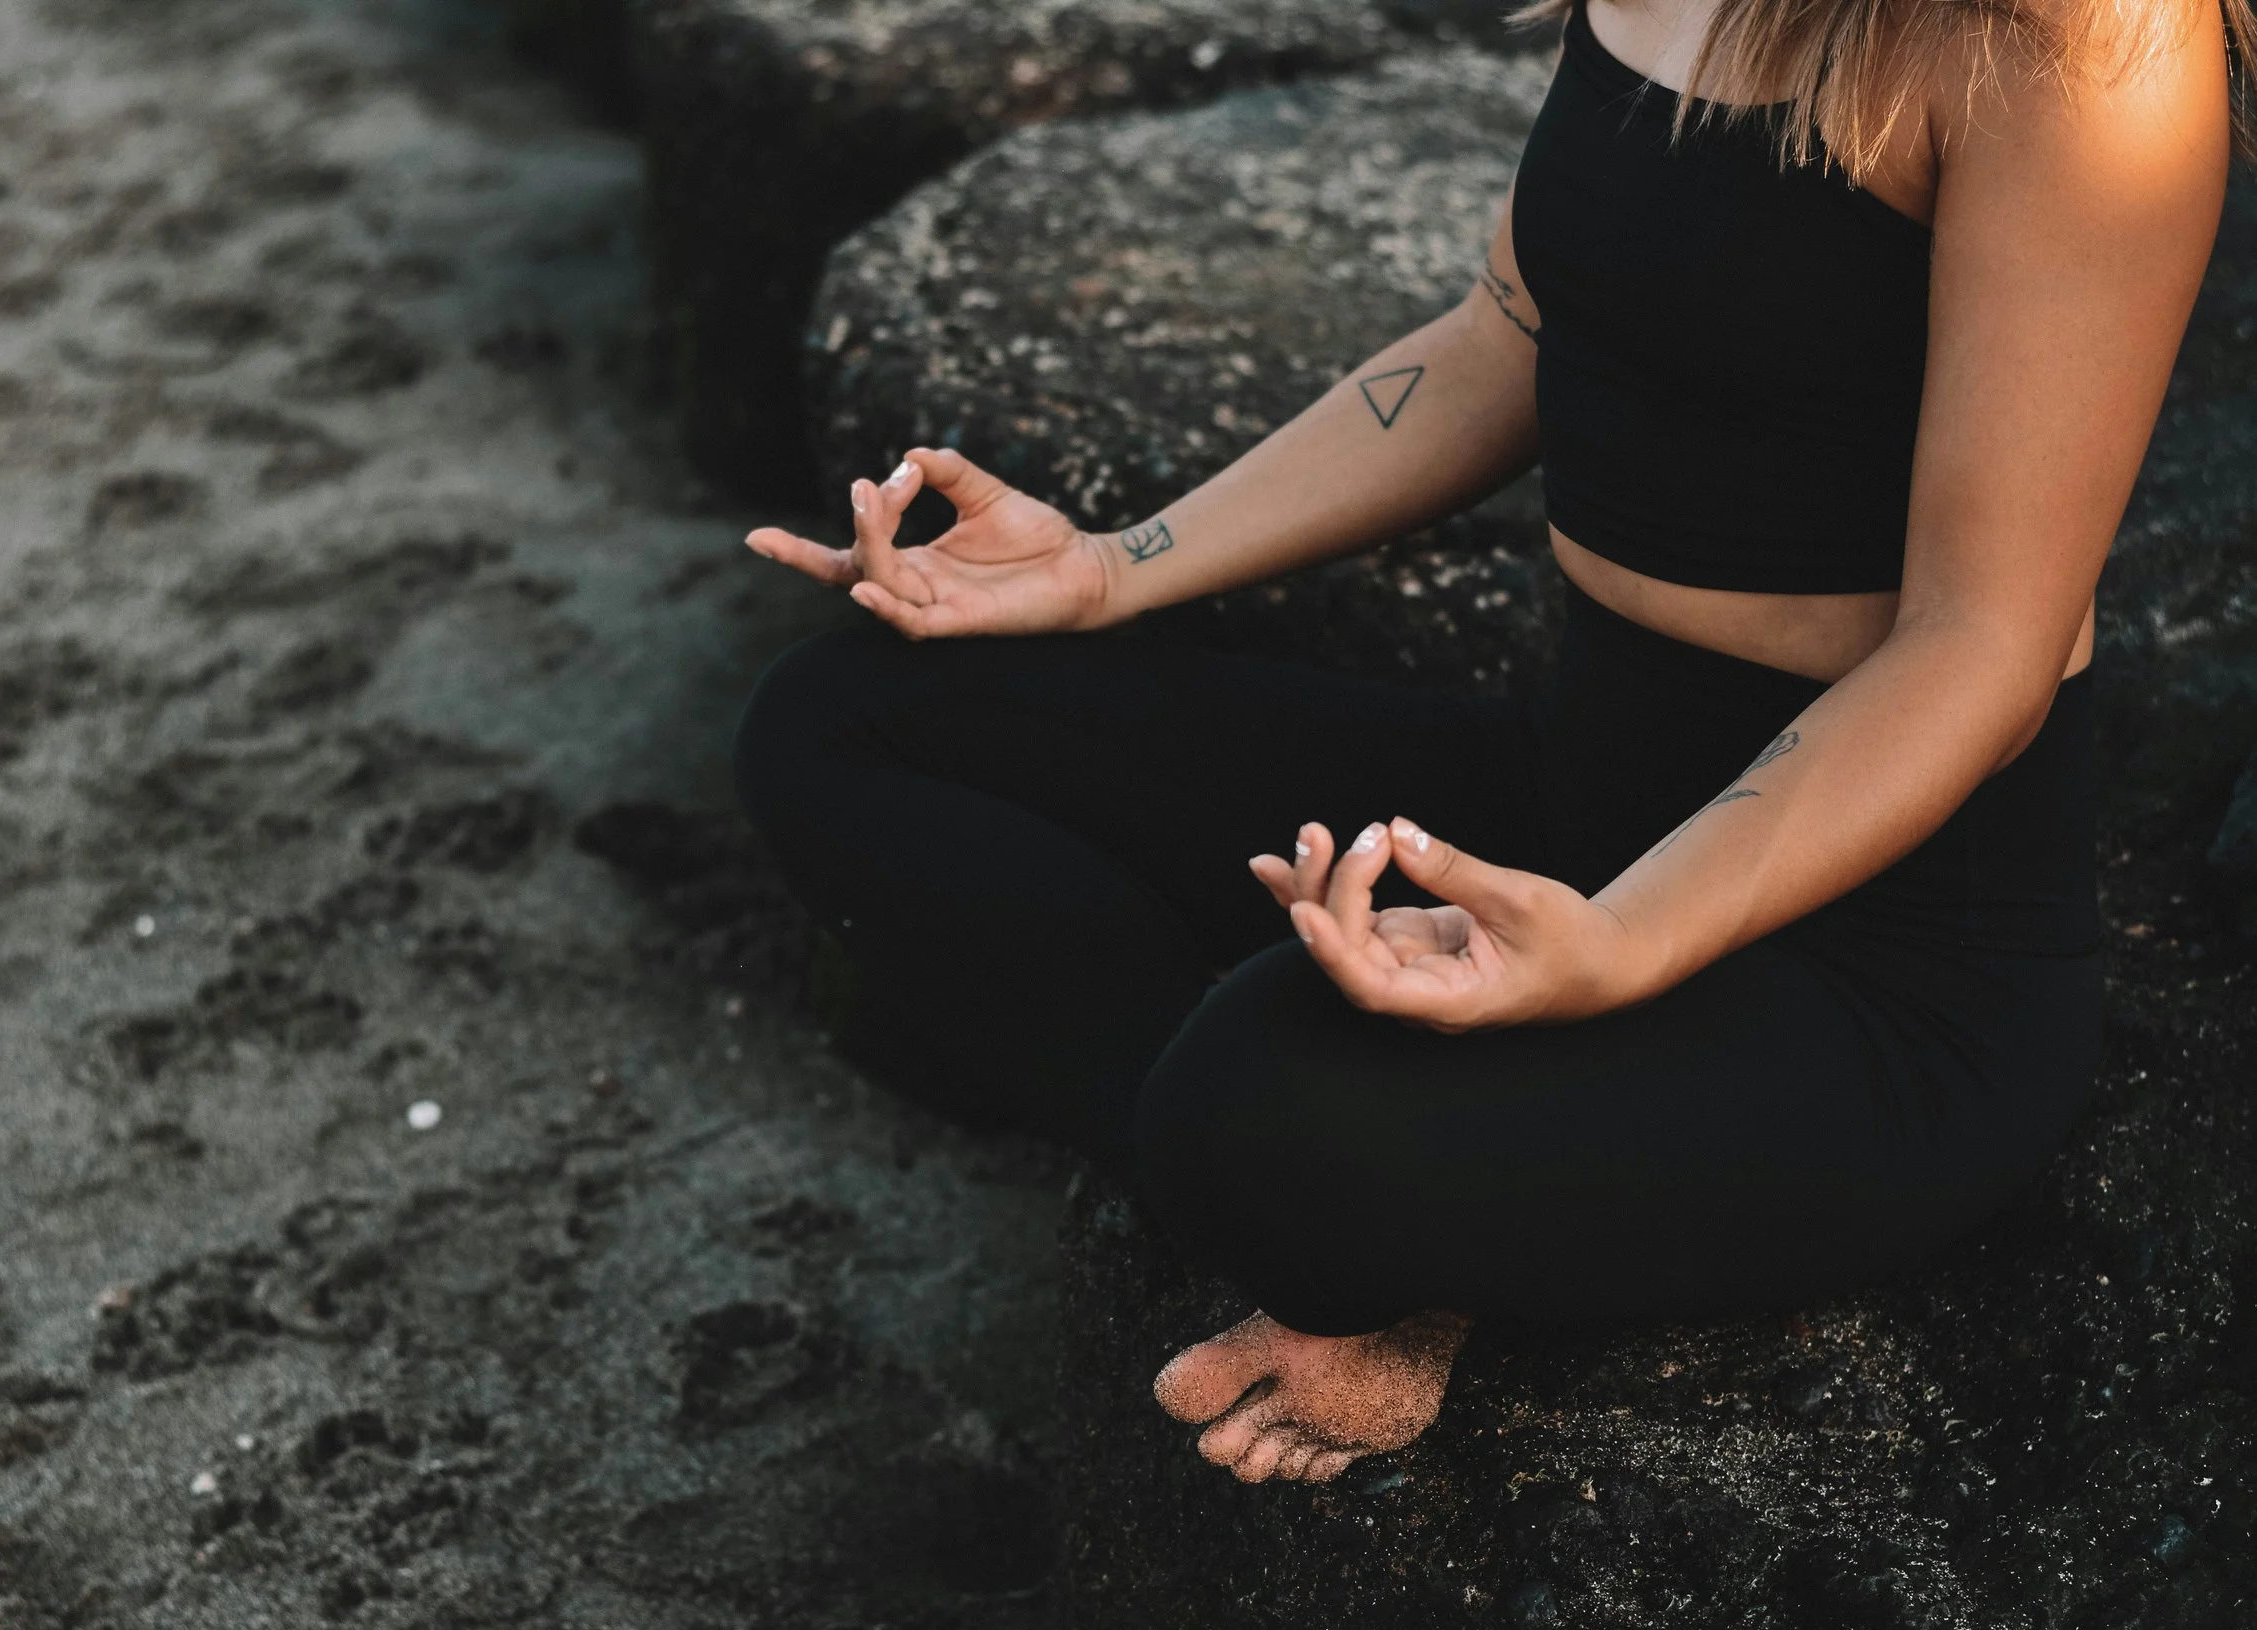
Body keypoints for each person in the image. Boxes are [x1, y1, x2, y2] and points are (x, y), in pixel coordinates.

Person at [733, 0, 2242, 1486]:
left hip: (1879, 958)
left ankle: (1387, 1207)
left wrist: (1623, 942)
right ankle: (1410, 1196)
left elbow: (1983, 646)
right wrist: (1116, 566)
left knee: (1251, 1104)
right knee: (854, 723)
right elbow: (1506, 335)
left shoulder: (2089, 48)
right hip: (1574, 786)